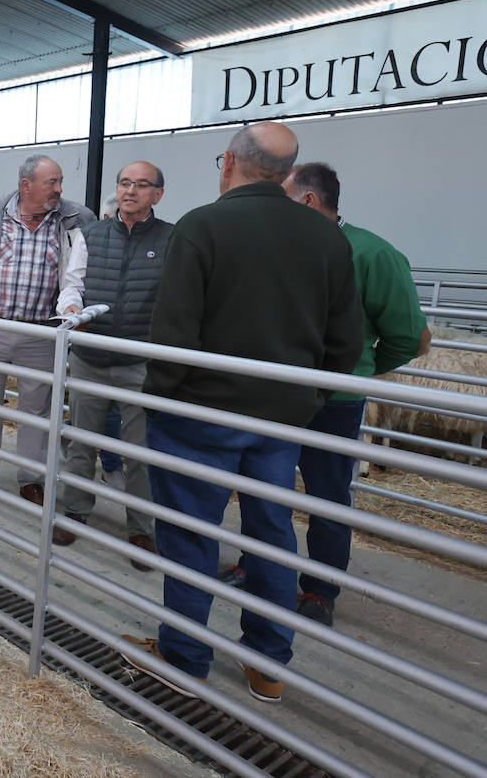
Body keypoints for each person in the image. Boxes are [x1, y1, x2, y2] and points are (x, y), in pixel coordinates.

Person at [124, 122, 364, 704]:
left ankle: (185, 656)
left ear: (228, 162)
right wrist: (306, 400)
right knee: (272, 535)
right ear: (286, 173)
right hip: (280, 422)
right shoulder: (328, 237)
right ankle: (268, 662)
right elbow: (345, 344)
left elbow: (173, 331)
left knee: (190, 536)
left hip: (198, 414)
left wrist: (161, 397)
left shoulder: (203, 225)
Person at [280, 162, 429, 626]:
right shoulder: (280, 248)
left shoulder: (372, 253)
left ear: (308, 200)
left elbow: (407, 336)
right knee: (266, 486)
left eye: (281, 196)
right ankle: (260, 567)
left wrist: (357, 371)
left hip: (334, 400)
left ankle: (320, 590)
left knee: (326, 495)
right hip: (276, 392)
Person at [0, 154, 92, 505]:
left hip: (42, 331)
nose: (59, 188)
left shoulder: (74, 218)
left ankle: (31, 477)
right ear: (26, 185)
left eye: (60, 182)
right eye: (51, 182)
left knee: (37, 410)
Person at [59, 161, 172, 569]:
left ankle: (141, 527)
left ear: (157, 194)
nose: (131, 191)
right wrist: (70, 306)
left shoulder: (172, 240)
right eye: (125, 183)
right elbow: (72, 283)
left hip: (139, 362)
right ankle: (73, 510)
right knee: (81, 440)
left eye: (142, 186)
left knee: (140, 451)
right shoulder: (90, 235)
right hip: (89, 356)